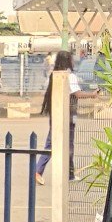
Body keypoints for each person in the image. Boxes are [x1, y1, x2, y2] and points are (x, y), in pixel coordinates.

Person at [34, 48, 80, 183]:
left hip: (55, 113)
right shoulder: (69, 76)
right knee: (68, 145)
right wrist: (93, 94)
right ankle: (40, 171)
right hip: (68, 115)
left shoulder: (53, 75)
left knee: (51, 144)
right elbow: (77, 94)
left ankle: (68, 174)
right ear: (68, 61)